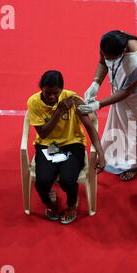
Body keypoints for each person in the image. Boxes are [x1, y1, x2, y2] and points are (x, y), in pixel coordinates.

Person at [78, 30, 137, 181]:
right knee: (121, 120)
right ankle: (118, 152)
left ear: (122, 52)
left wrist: (99, 104)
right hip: (123, 82)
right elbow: (103, 62)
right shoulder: (108, 44)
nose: (106, 58)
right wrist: (95, 83)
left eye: (111, 58)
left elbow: (127, 91)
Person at [27, 70, 106, 224]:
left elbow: (90, 127)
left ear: (62, 90)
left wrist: (101, 154)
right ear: (41, 88)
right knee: (42, 182)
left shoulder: (73, 99)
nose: (51, 97)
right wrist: (59, 112)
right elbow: (43, 133)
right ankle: (50, 203)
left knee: (68, 180)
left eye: (56, 93)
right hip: (47, 145)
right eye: (47, 92)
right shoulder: (33, 102)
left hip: (72, 144)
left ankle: (71, 205)